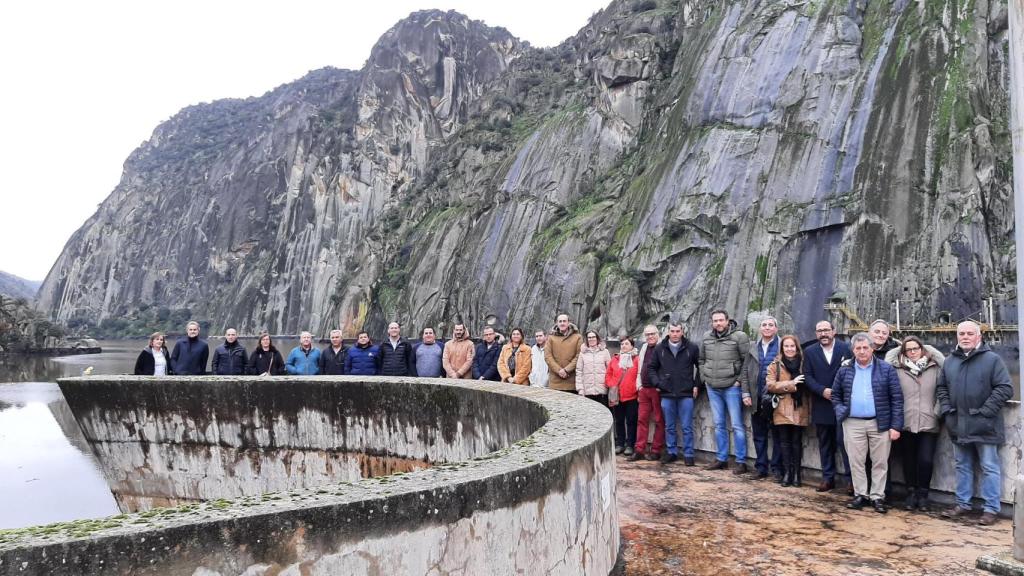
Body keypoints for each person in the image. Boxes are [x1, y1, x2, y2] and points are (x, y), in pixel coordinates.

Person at [937, 321, 1013, 526]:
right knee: (962, 465)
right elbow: (941, 388)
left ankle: (990, 509)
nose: (965, 337)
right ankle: (963, 504)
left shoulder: (992, 360)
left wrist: (985, 412)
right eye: (961, 333)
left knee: (989, 466)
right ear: (957, 336)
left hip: (985, 425)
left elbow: (1005, 388)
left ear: (979, 336)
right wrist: (946, 410)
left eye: (970, 333)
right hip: (958, 423)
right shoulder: (949, 361)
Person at [832, 332, 903, 514]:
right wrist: (842, 412)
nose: (862, 351)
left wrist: (896, 426)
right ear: (853, 350)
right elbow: (835, 394)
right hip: (852, 423)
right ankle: (860, 494)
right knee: (856, 461)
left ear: (872, 348)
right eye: (858, 348)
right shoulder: (845, 369)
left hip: (880, 423)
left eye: (865, 347)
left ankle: (877, 496)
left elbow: (896, 398)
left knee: (880, 462)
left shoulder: (886, 369)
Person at [886, 335, 944, 511]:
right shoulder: (897, 368)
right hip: (906, 421)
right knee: (908, 460)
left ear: (922, 349)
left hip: (929, 421)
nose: (912, 352)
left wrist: (937, 412)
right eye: (908, 350)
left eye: (915, 349)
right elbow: (889, 358)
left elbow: (943, 390)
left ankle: (923, 495)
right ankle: (911, 493)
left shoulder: (935, 367)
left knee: (925, 460)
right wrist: (904, 344)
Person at [803, 320, 853, 493]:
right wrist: (821, 390)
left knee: (845, 444)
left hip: (842, 405)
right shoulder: (809, 352)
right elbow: (807, 376)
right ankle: (827, 478)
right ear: (816, 333)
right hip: (821, 403)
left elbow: (852, 372)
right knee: (825, 443)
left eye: (826, 330)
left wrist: (839, 392)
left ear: (834, 331)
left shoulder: (846, 349)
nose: (823, 334)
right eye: (819, 331)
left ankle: (851, 480)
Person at [699, 309, 751, 473]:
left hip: (731, 387)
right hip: (712, 387)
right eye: (715, 321)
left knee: (737, 425)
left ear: (728, 321)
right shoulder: (707, 337)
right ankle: (721, 458)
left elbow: (747, 361)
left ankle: (741, 461)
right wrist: (704, 377)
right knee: (719, 424)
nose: (718, 323)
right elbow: (701, 359)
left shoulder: (739, 337)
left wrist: (739, 381)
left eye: (721, 320)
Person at [648, 321, 700, 465]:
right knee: (669, 426)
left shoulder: (692, 347)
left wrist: (696, 385)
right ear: (668, 332)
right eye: (672, 331)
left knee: (687, 426)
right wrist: (658, 383)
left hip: (686, 393)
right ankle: (672, 452)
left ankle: (689, 454)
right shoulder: (660, 349)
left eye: (678, 331)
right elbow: (651, 368)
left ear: (682, 332)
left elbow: (700, 367)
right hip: (667, 393)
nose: (675, 334)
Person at [766, 334, 810, 487]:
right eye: (786, 346)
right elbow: (770, 385)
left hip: (800, 406)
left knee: (797, 442)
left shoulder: (804, 363)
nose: (789, 349)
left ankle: (797, 474)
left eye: (792, 346)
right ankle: (787, 473)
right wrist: (792, 383)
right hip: (782, 407)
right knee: (784, 442)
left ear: (797, 347)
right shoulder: (775, 364)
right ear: (782, 348)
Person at [741, 316, 782, 480]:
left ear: (776, 329)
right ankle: (761, 467)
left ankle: (778, 468)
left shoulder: (782, 346)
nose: (767, 327)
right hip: (756, 398)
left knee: (778, 435)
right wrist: (745, 393)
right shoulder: (752, 347)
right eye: (764, 325)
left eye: (770, 325)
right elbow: (744, 372)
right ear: (760, 329)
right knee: (759, 435)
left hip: (775, 398)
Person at [630, 325, 665, 462]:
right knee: (641, 419)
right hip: (644, 389)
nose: (650, 336)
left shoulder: (663, 347)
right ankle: (639, 449)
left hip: (656, 389)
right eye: (647, 334)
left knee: (659, 420)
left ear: (658, 334)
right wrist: (639, 385)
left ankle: (656, 450)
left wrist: (660, 385)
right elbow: (640, 367)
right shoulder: (644, 347)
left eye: (652, 334)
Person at [606, 336, 639, 456]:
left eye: (626, 344)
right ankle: (620, 443)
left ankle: (630, 444)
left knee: (631, 421)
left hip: (632, 396)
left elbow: (639, 375)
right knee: (619, 421)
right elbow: (608, 374)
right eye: (622, 344)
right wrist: (612, 384)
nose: (624, 346)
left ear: (632, 346)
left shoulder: (637, 360)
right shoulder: (615, 359)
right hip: (617, 395)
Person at [545, 313, 583, 393]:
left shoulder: (577, 337)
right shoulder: (551, 338)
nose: (562, 323)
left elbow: (579, 356)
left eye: (564, 321)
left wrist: (566, 370)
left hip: (571, 381)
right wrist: (559, 370)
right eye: (560, 321)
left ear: (568, 323)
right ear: (557, 323)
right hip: (555, 382)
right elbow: (548, 356)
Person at [577, 330, 611, 406]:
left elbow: (610, 370)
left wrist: (610, 388)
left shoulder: (605, 352)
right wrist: (580, 389)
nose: (591, 339)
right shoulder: (582, 353)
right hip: (588, 392)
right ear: (587, 339)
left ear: (597, 338)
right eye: (589, 337)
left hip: (602, 391)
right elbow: (579, 372)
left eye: (593, 337)